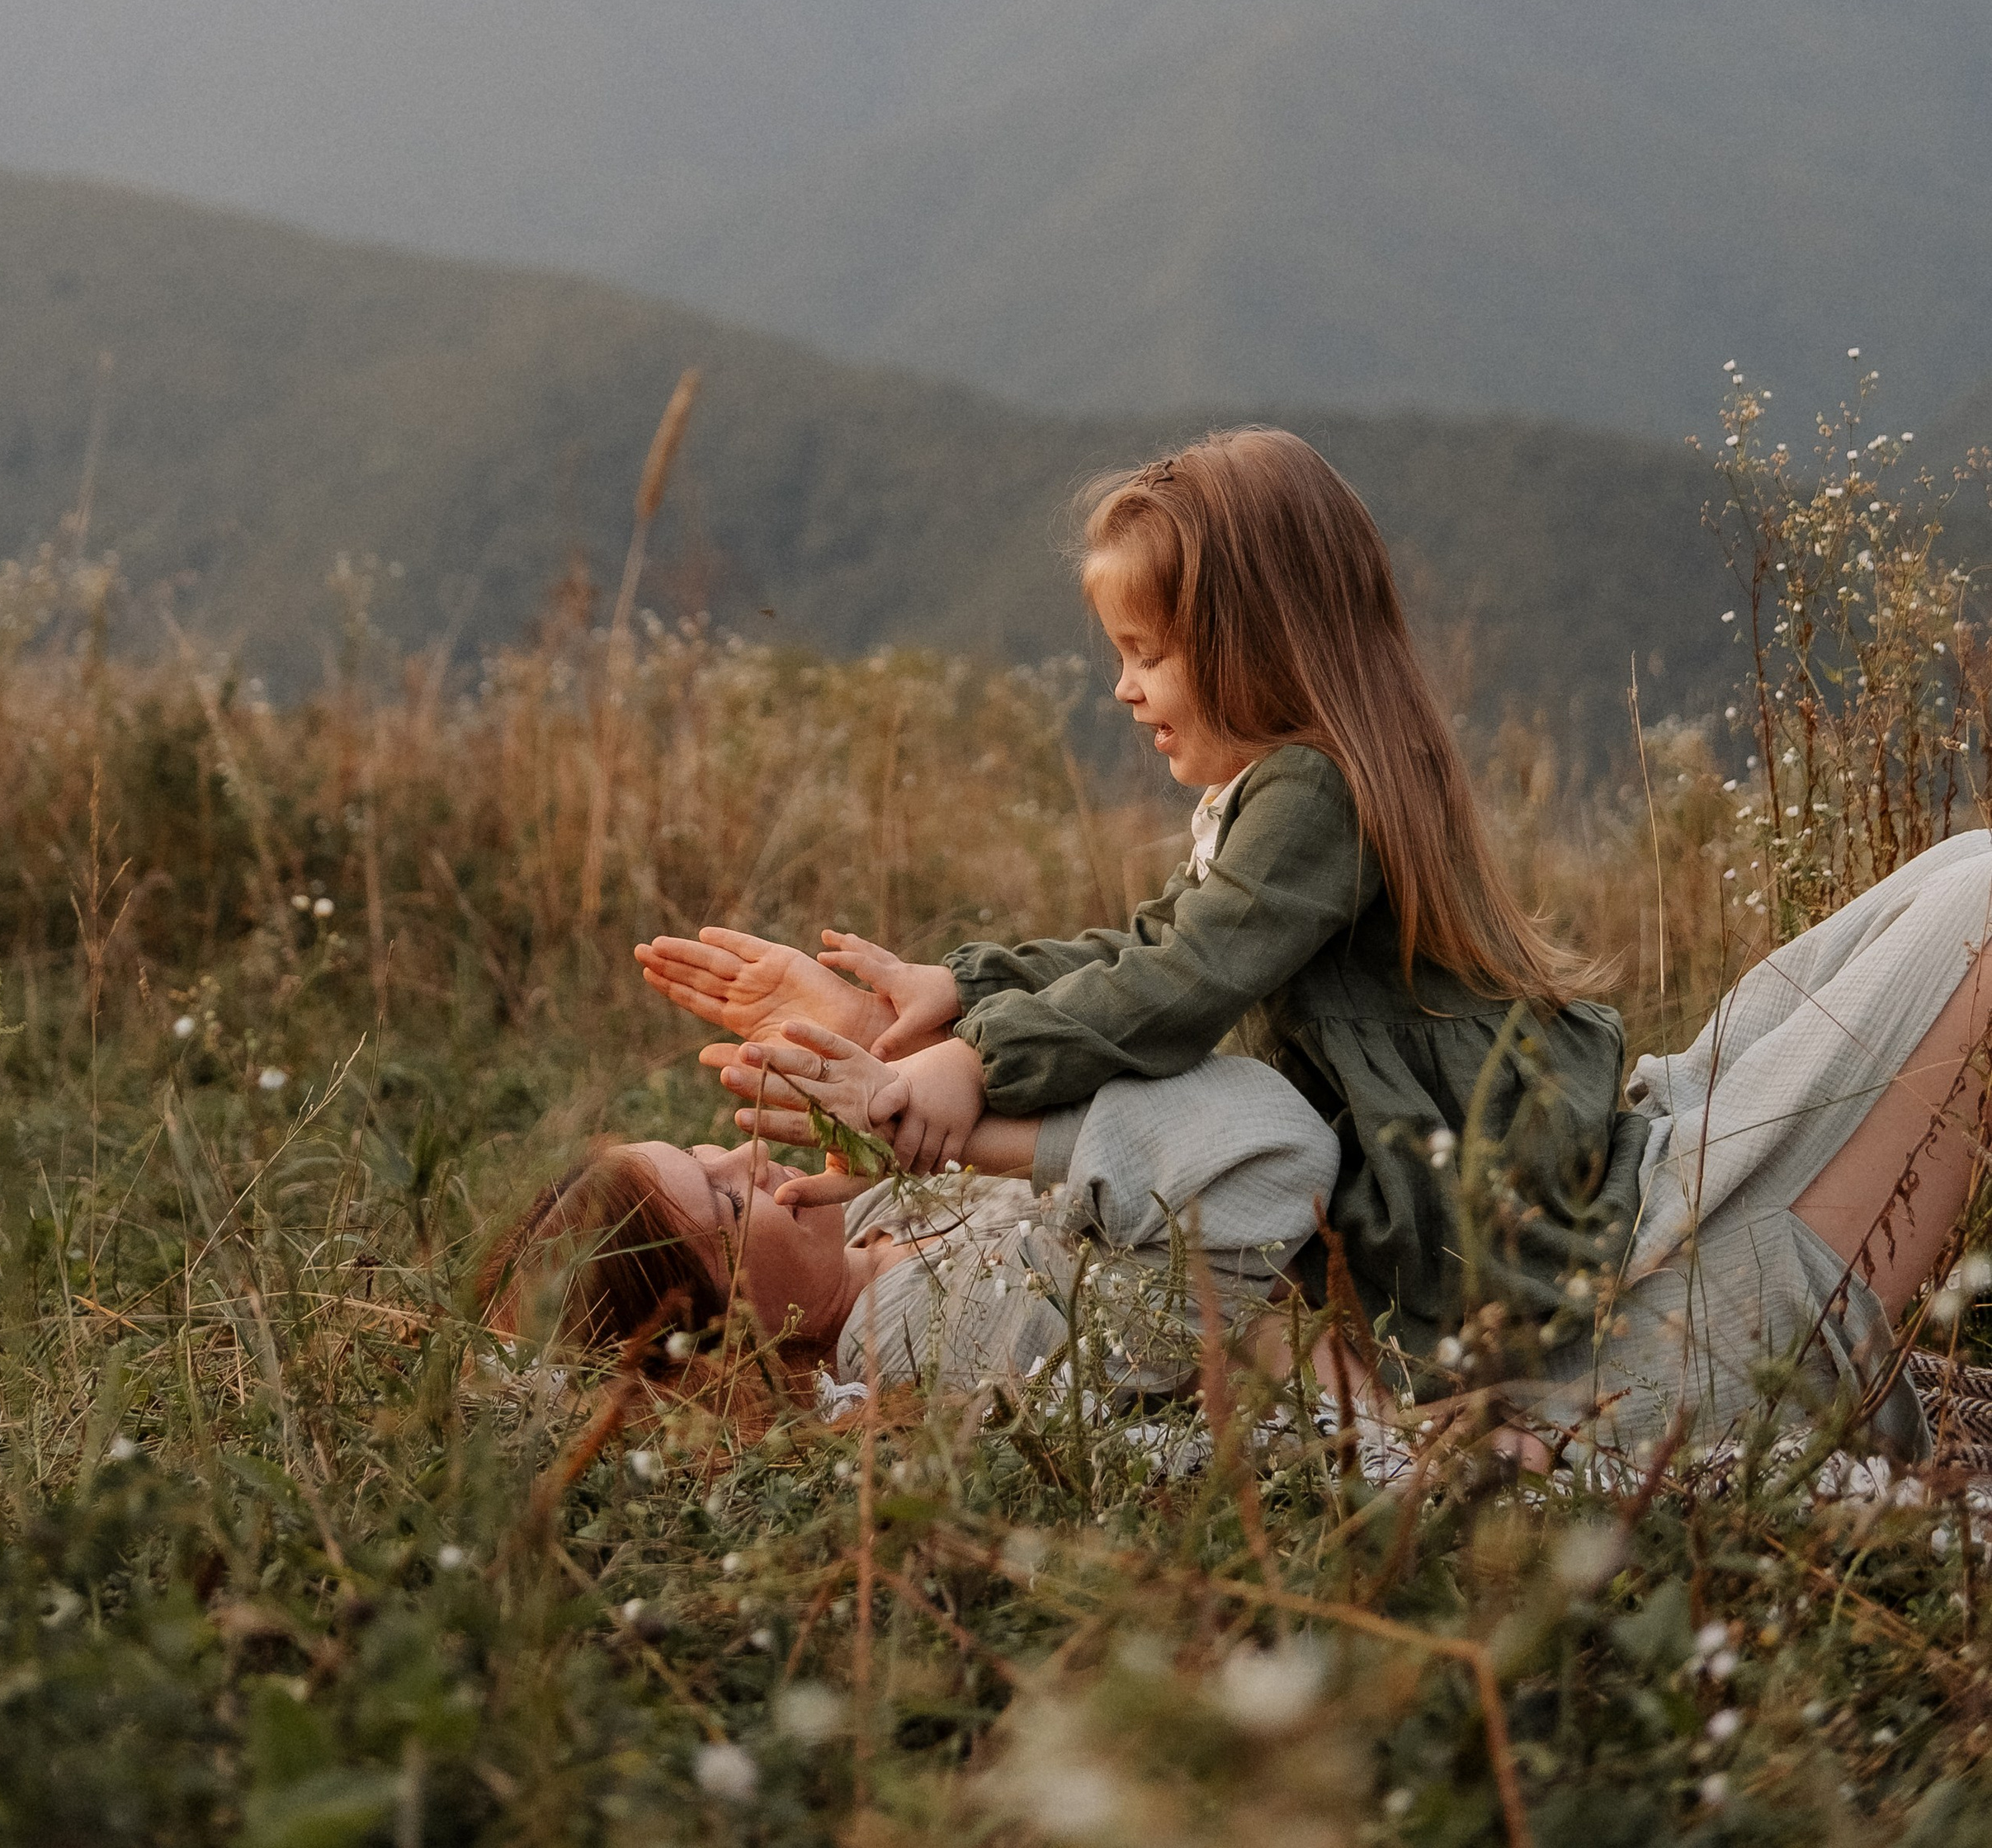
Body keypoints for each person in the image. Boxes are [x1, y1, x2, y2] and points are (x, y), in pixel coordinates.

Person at [639, 428, 1992, 1459]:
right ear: (717, 1323)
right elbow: (1169, 977)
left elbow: (1170, 974)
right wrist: (955, 1024)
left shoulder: (1308, 796)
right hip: (1497, 1241)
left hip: (1528, 1182)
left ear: (1255, 648)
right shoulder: (1292, 793)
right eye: (723, 1192)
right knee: (1977, 898)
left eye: (1148, 654)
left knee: (1951, 886)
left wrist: (946, 1047)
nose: (1123, 686)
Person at [479, 1040, 1341, 1402]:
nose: (744, 1157)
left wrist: (914, 1068)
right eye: (728, 1203)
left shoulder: (877, 1215)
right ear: (731, 1326)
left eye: (702, 1151)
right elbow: (1269, 1147)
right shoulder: (937, 1337)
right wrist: (996, 1134)